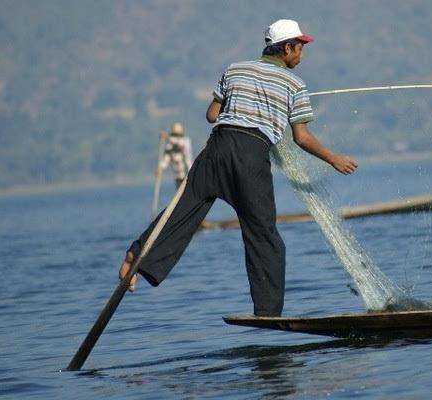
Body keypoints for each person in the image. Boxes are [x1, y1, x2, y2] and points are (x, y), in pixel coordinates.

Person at [119, 19, 358, 317]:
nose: (302, 54)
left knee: (182, 212)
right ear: (287, 48)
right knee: (263, 235)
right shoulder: (295, 85)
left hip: (215, 151)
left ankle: (136, 255)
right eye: (300, 48)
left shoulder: (234, 69)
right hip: (250, 157)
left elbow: (212, 115)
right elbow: (302, 137)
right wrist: (334, 158)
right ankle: (268, 312)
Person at [158, 122, 193, 188]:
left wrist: (167, 137)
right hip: (178, 177)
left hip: (188, 175)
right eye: (174, 135)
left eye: (177, 135)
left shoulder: (185, 141)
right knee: (180, 195)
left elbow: (180, 142)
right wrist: (160, 168)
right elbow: (166, 159)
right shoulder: (170, 146)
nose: (176, 137)